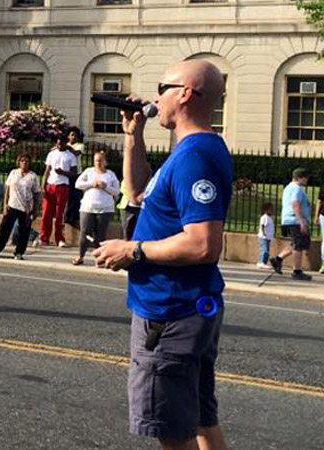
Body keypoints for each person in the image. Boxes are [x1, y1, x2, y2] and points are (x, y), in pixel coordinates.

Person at [92, 59, 232, 450]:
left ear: (185, 94)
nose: (155, 97)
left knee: (174, 433)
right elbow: (137, 195)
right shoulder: (190, 151)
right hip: (189, 308)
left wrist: (132, 249)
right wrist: (133, 137)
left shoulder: (194, 157)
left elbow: (204, 243)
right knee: (202, 421)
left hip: (170, 314)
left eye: (162, 86)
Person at [0, 154, 42, 260]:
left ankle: (19, 252)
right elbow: (7, 188)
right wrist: (5, 204)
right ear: (19, 162)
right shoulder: (13, 173)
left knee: (24, 231)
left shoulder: (33, 176)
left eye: (26, 161)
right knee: (4, 229)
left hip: (26, 207)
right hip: (12, 205)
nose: (24, 163)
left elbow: (36, 193)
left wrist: (35, 209)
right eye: (22, 161)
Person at [73, 151, 120, 266]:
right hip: (88, 207)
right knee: (85, 233)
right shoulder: (88, 172)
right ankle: (80, 256)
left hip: (105, 208)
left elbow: (116, 191)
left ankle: (99, 259)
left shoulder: (110, 175)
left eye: (100, 160)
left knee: (100, 235)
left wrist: (105, 186)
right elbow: (78, 184)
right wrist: (91, 184)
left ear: (105, 161)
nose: (98, 163)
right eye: (96, 160)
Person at [271, 168, 313, 281]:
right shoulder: (296, 189)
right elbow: (295, 204)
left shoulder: (289, 188)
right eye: (306, 177)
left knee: (296, 243)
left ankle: (278, 259)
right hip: (295, 220)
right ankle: (297, 271)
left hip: (290, 220)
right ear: (300, 177)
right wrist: (301, 221)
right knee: (298, 246)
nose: (307, 180)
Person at [40, 134, 78, 247]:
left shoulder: (70, 156)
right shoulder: (51, 154)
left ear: (65, 143)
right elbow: (47, 170)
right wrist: (43, 185)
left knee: (59, 214)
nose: (59, 145)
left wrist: (63, 172)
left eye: (61, 143)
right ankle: (44, 237)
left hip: (63, 185)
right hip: (51, 185)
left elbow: (74, 172)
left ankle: (60, 238)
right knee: (46, 213)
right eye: (57, 143)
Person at [64, 127, 86, 229]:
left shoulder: (80, 146)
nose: (74, 137)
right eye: (72, 134)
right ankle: (67, 216)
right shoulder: (65, 146)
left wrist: (68, 148)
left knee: (76, 196)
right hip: (66, 173)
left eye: (76, 135)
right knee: (67, 196)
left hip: (76, 174)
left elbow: (76, 153)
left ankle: (73, 216)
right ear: (68, 136)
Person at [256, 203, 274, 270]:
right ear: (266, 210)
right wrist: (263, 232)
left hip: (267, 238)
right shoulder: (265, 217)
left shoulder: (268, 218)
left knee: (266, 250)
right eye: (271, 210)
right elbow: (262, 225)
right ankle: (262, 262)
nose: (272, 211)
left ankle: (262, 262)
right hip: (264, 237)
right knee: (264, 250)